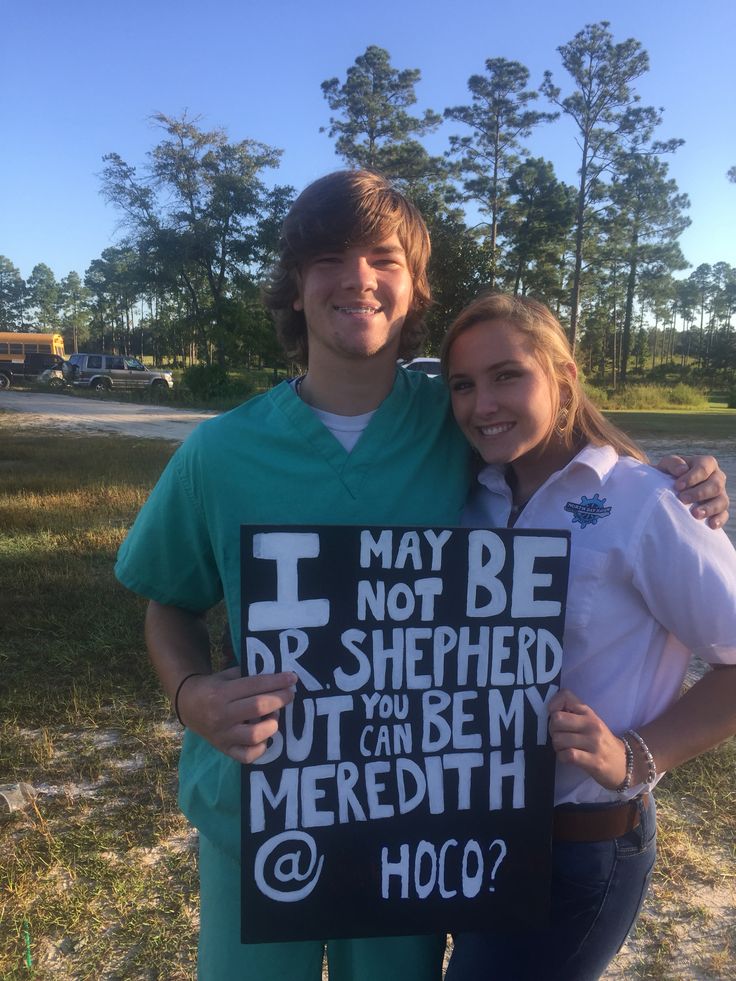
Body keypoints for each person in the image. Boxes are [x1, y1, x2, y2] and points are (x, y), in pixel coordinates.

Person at [114, 171, 728, 981]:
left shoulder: (453, 422)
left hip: (417, 822)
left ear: (413, 290)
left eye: (383, 257)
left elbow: (557, 441)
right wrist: (191, 694)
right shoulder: (218, 453)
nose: (358, 276)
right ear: (294, 289)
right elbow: (169, 603)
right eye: (328, 257)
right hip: (258, 813)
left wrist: (686, 485)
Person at [440, 292, 736, 981]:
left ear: (564, 379)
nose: (482, 403)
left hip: (578, 850)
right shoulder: (469, 496)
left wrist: (637, 756)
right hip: (470, 834)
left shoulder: (647, 502)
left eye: (507, 374)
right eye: (463, 384)